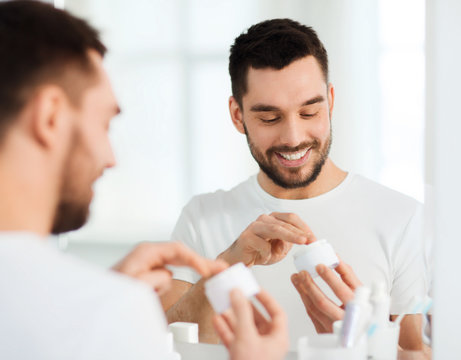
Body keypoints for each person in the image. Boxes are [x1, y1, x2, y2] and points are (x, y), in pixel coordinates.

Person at [0, 2, 288, 360]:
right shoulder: (110, 315)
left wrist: (104, 298)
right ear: (50, 118)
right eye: (104, 124)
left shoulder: (99, 310)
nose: (110, 158)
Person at [163, 18, 429, 351]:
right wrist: (228, 264)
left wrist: (368, 341)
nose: (293, 138)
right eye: (269, 118)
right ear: (237, 115)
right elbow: (160, 347)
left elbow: (423, 354)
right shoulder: (202, 219)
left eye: (309, 112)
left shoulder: (401, 219)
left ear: (330, 101)